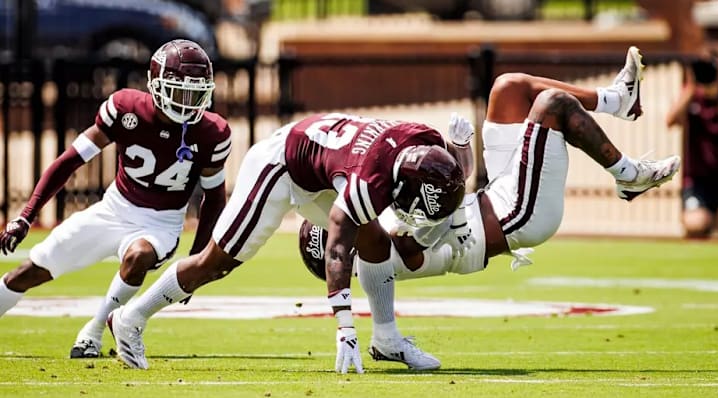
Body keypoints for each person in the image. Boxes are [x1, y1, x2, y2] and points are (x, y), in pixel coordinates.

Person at [298, 46, 681, 370]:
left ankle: (617, 100)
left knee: (508, 88)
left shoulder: (369, 223)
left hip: (490, 195)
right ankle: (629, 174)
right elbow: (425, 238)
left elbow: (445, 193)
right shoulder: (375, 256)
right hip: (515, 216)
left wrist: (458, 153)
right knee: (552, 105)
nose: (340, 219)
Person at [105, 110, 474, 371]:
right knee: (216, 262)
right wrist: (345, 327)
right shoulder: (371, 180)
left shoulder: (425, 145)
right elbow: (338, 247)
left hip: (327, 167)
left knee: (375, 238)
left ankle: (387, 341)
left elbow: (448, 174)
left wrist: (460, 152)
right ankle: (130, 318)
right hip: (282, 166)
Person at [0, 39, 231, 359]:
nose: (187, 102)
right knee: (28, 272)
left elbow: (214, 198)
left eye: (195, 93)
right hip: (113, 209)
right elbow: (70, 160)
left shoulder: (212, 132)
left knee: (138, 256)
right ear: (156, 85)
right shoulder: (125, 109)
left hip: (161, 223)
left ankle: (92, 333)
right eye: (179, 91)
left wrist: (194, 262)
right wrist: (26, 214)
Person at [665, 53, 718, 238]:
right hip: (699, 180)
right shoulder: (693, 98)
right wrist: (690, 87)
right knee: (695, 224)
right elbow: (671, 120)